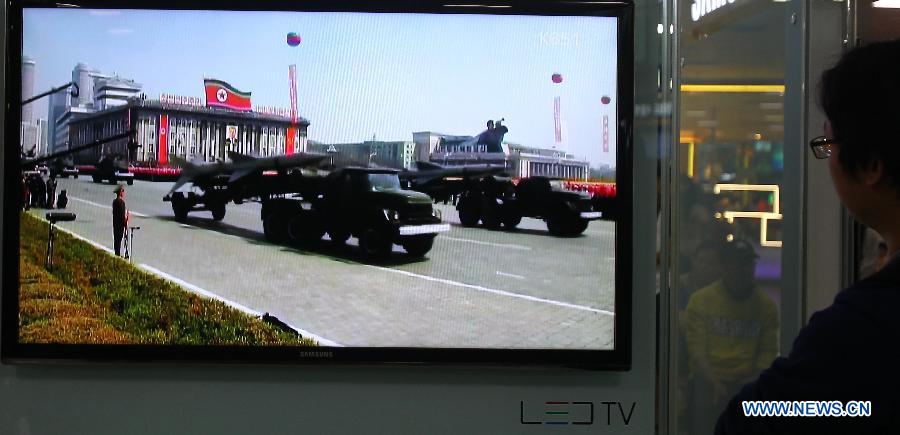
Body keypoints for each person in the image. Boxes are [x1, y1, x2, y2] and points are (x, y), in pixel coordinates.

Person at [716, 39, 900, 434]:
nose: (828, 158)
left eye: (829, 143)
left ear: (870, 165)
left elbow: (749, 422)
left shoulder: (862, 331)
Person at [684, 239, 778, 434]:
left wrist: (752, 384)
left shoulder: (766, 308)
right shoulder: (702, 301)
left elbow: (767, 354)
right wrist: (714, 382)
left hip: (746, 383)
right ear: (725, 267)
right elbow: (697, 352)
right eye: (738, 263)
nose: (744, 269)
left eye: (748, 263)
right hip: (707, 384)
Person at [112, 184, 130, 257]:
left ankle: (117, 253)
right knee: (119, 240)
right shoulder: (121, 202)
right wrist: (126, 222)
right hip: (120, 225)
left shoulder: (115, 201)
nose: (124, 193)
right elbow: (122, 216)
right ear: (120, 192)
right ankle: (118, 255)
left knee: (116, 240)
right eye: (123, 191)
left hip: (115, 223)